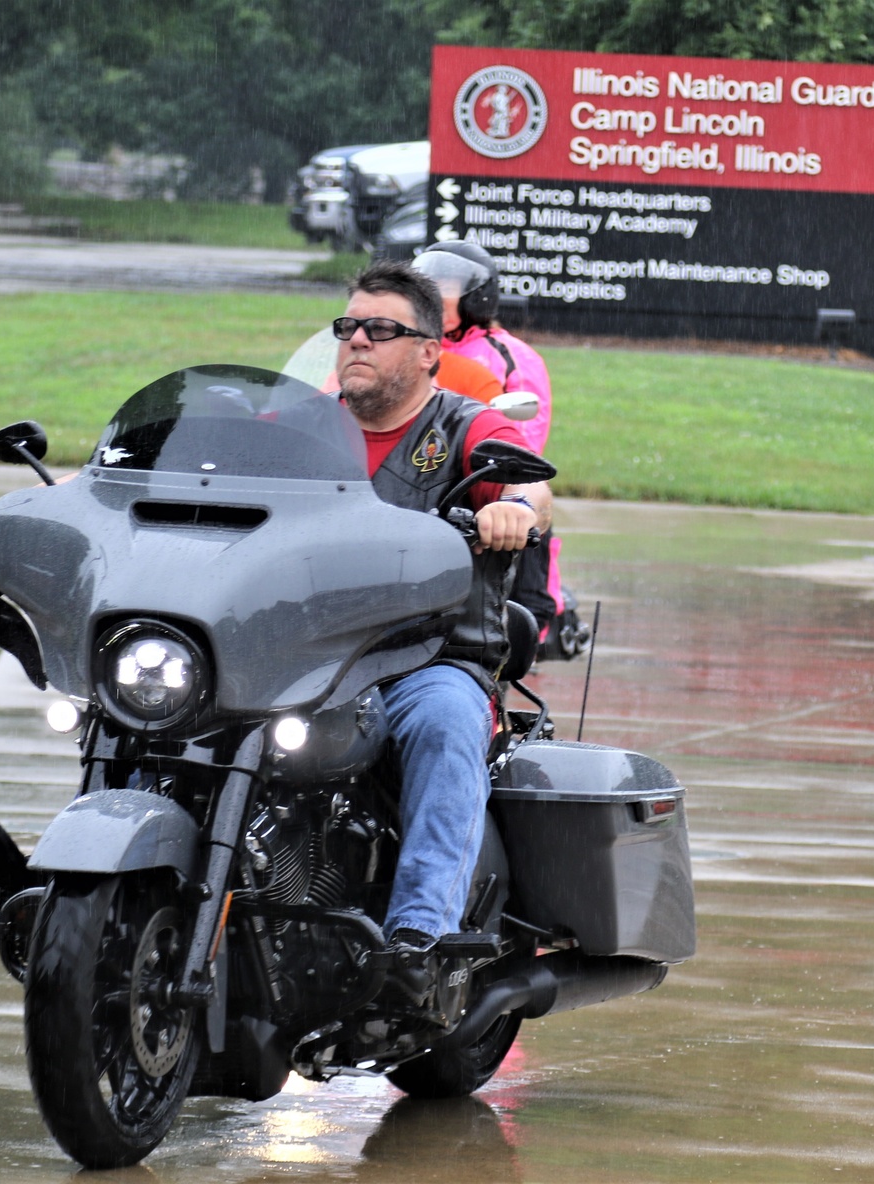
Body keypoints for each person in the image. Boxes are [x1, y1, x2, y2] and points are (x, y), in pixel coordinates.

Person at [331, 259, 552, 1001]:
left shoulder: (464, 424)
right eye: (348, 327)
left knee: (448, 719)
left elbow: (531, 485)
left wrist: (514, 507)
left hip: (426, 657)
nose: (357, 340)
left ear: (430, 350)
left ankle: (418, 940)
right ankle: (94, 885)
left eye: (380, 329)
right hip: (307, 656)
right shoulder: (304, 429)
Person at [412, 242, 589, 658]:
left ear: (478, 296)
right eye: (428, 284)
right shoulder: (409, 348)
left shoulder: (506, 356)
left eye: (447, 284)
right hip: (421, 500)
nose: (436, 293)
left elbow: (522, 448)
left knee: (500, 639)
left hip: (483, 508)